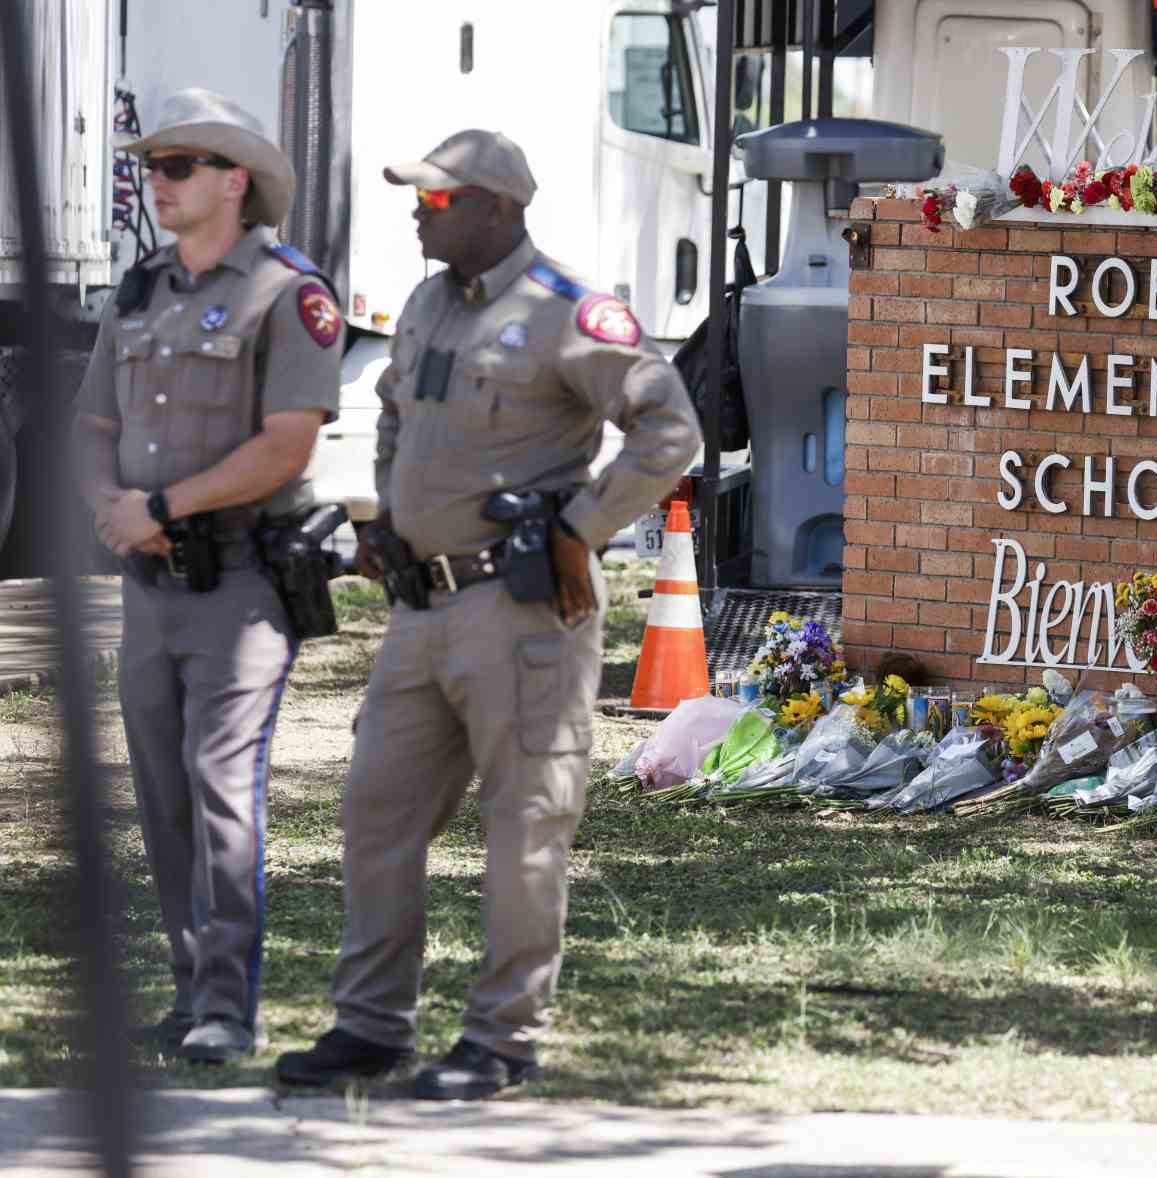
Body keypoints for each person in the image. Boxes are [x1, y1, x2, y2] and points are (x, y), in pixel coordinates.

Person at [275, 129, 700, 1099]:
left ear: (497, 208)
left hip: (520, 613)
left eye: (435, 201)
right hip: (420, 610)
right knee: (376, 811)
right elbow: (393, 412)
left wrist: (581, 528)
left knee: (524, 824)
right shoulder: (426, 303)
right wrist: (387, 516)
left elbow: (668, 428)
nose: (417, 215)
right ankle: (372, 1025)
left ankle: (503, 1038)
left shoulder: (564, 311)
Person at [71, 89, 343, 1063]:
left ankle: (227, 1005)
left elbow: (286, 443)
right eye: (152, 165)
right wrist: (110, 502)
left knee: (221, 781)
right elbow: (93, 422)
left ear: (235, 180)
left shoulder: (287, 290)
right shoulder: (141, 287)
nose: (159, 181)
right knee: (159, 790)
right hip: (147, 588)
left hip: (238, 584)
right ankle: (190, 994)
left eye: (179, 166)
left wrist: (163, 506)